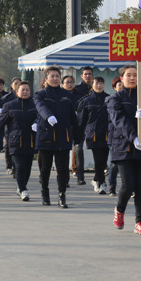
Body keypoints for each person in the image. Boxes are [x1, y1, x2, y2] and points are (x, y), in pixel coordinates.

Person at [107, 65, 141, 235]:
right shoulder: (115, 99)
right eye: (128, 75)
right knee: (128, 185)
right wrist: (133, 137)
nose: (132, 78)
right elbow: (119, 121)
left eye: (135, 75)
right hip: (124, 147)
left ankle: (140, 222)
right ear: (122, 78)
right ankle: (119, 210)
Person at [34, 66, 79, 208]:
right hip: (46, 136)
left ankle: (62, 195)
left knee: (63, 169)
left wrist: (77, 136)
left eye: (57, 76)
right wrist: (48, 116)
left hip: (62, 136)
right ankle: (45, 194)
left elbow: (73, 117)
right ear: (46, 78)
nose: (55, 79)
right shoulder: (40, 94)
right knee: (45, 168)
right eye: (52, 76)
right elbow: (40, 107)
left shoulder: (67, 95)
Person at [0, 81, 37, 201]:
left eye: (27, 90)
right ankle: (23, 189)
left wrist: (36, 123)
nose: (25, 92)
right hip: (15, 141)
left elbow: (40, 118)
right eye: (22, 90)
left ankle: (21, 187)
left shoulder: (35, 104)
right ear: (17, 91)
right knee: (19, 167)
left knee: (27, 168)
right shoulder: (9, 105)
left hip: (30, 141)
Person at [77, 76, 110, 194]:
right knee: (98, 160)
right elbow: (81, 121)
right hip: (93, 134)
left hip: (107, 134)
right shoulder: (86, 101)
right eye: (96, 83)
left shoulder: (109, 99)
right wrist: (78, 136)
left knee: (104, 160)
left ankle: (96, 179)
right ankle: (101, 183)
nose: (99, 86)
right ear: (92, 85)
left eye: (101, 83)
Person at [72, 67, 94, 185]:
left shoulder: (95, 88)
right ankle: (80, 176)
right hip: (79, 123)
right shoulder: (76, 90)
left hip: (92, 123)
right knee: (79, 149)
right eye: (85, 74)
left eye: (89, 74)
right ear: (81, 76)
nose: (88, 76)